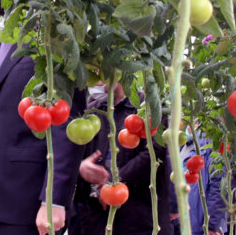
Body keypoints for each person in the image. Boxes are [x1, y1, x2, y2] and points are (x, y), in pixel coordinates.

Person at [0, 0, 86, 235]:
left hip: (27, 203)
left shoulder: (51, 36)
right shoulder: (1, 38)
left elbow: (66, 122)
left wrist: (54, 199)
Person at [68, 82, 172, 235]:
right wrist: (81, 167)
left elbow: (154, 153)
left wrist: (112, 182)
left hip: (139, 214)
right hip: (96, 215)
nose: (97, 79)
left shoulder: (149, 108)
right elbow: (72, 155)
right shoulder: (91, 112)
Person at [170, 129, 227, 235]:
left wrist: (211, 225)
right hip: (182, 224)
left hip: (201, 226)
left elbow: (219, 185)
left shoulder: (212, 141)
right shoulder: (182, 144)